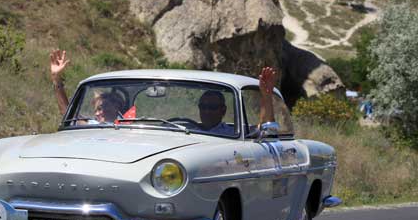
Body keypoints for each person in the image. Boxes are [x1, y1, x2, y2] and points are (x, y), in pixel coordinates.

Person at [50, 49, 276, 130]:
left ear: (223, 110)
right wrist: (57, 80)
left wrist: (266, 98)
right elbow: (67, 115)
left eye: (211, 107)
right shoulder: (97, 126)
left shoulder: (127, 128)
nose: (206, 110)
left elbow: (264, 130)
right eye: (203, 106)